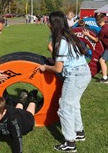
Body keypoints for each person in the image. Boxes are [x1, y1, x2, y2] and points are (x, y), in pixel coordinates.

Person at [36, 11, 91, 152]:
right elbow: (66, 60)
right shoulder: (69, 35)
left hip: (75, 76)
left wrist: (45, 67)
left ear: (53, 24)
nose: (47, 23)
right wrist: (54, 61)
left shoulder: (60, 41)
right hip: (84, 72)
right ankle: (79, 132)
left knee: (65, 107)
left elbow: (58, 69)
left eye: (48, 21)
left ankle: (70, 143)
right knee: (73, 104)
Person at [83, 14, 108, 83]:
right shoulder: (107, 26)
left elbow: (96, 40)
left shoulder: (104, 29)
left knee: (102, 60)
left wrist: (87, 34)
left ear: (97, 22)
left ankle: (105, 78)